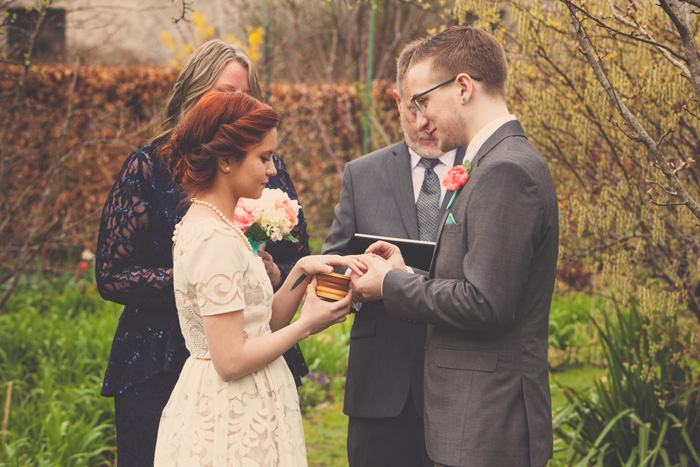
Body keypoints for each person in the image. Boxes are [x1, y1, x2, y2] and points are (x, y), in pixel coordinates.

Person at [95, 40, 310, 466]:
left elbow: (292, 253)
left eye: (245, 96)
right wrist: (210, 285)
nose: (235, 105)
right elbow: (112, 273)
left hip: (250, 352)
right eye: (223, 93)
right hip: (157, 358)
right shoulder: (147, 165)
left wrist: (268, 272)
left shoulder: (264, 167)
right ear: (192, 93)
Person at [351, 26, 558, 467]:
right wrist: (407, 274)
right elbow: (477, 282)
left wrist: (391, 287)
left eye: (424, 100)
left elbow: (485, 303)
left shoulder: (505, 169)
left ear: (463, 87)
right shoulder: (488, 161)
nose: (421, 118)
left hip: (486, 424)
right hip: (472, 421)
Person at [153, 91, 361, 465]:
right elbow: (230, 361)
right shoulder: (213, 238)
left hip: (251, 400)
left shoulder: (218, 224)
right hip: (229, 411)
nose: (272, 169)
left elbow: (258, 326)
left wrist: (300, 271)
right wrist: (307, 326)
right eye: (263, 157)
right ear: (227, 160)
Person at [322, 39, 464, 467]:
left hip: (456, 385)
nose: (423, 123)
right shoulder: (361, 174)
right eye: (410, 109)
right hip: (378, 392)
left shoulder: (484, 172)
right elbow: (332, 270)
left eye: (430, 109)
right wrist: (356, 279)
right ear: (396, 102)